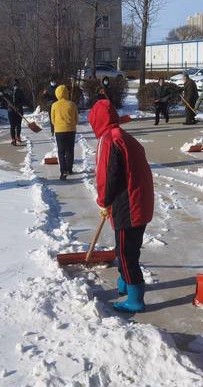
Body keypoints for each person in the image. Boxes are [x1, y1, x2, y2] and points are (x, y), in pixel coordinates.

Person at [88, 99, 154, 313]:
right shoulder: (124, 136)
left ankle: (135, 299)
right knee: (128, 248)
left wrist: (103, 201)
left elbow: (107, 176)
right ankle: (125, 282)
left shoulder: (109, 139)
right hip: (139, 202)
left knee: (126, 254)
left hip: (129, 206)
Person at [51, 85, 78, 180]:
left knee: (61, 151)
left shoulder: (54, 105)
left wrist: (57, 125)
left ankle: (63, 171)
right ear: (67, 92)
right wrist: (72, 124)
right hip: (71, 130)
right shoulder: (72, 104)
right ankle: (69, 169)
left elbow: (53, 119)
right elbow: (76, 119)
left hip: (59, 131)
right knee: (70, 150)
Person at [3, 79, 26, 145]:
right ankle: (13, 139)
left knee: (18, 125)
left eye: (17, 85)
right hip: (11, 110)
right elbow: (5, 98)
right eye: (14, 85)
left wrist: (18, 107)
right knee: (12, 125)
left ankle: (18, 136)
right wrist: (2, 95)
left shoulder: (20, 92)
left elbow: (23, 101)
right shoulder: (9, 91)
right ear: (12, 85)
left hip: (19, 110)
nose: (16, 86)